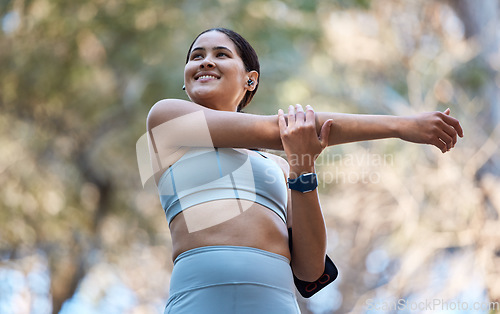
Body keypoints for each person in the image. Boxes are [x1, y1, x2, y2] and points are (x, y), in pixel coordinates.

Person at [145, 28, 463, 313]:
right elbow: (281, 130)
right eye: (196, 56)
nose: (205, 62)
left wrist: (303, 167)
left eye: (221, 54)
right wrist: (402, 125)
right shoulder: (166, 119)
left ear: (250, 79)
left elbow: (310, 270)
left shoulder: (279, 165)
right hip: (195, 299)